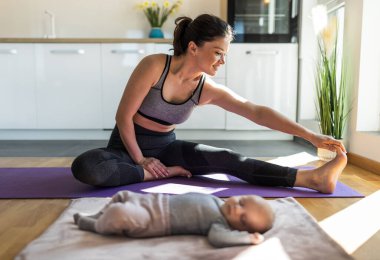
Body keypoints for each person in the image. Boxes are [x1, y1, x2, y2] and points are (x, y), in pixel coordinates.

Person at [71, 14, 347, 194]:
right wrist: (142, 161)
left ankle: (311, 179)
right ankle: (151, 174)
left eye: (224, 54)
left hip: (167, 149)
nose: (222, 61)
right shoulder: (154, 66)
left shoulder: (206, 89)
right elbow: (123, 117)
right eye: (217, 53)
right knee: (87, 166)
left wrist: (310, 136)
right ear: (193, 47)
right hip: (126, 148)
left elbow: (256, 112)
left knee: (228, 158)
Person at [74, 191, 274, 247]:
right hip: (155, 200)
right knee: (122, 196)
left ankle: (95, 225)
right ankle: (97, 215)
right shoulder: (216, 201)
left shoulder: (219, 225)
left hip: (154, 220)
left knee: (120, 213)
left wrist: (247, 239)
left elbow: (218, 239)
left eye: (243, 220)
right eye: (242, 201)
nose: (236, 209)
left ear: (240, 229)